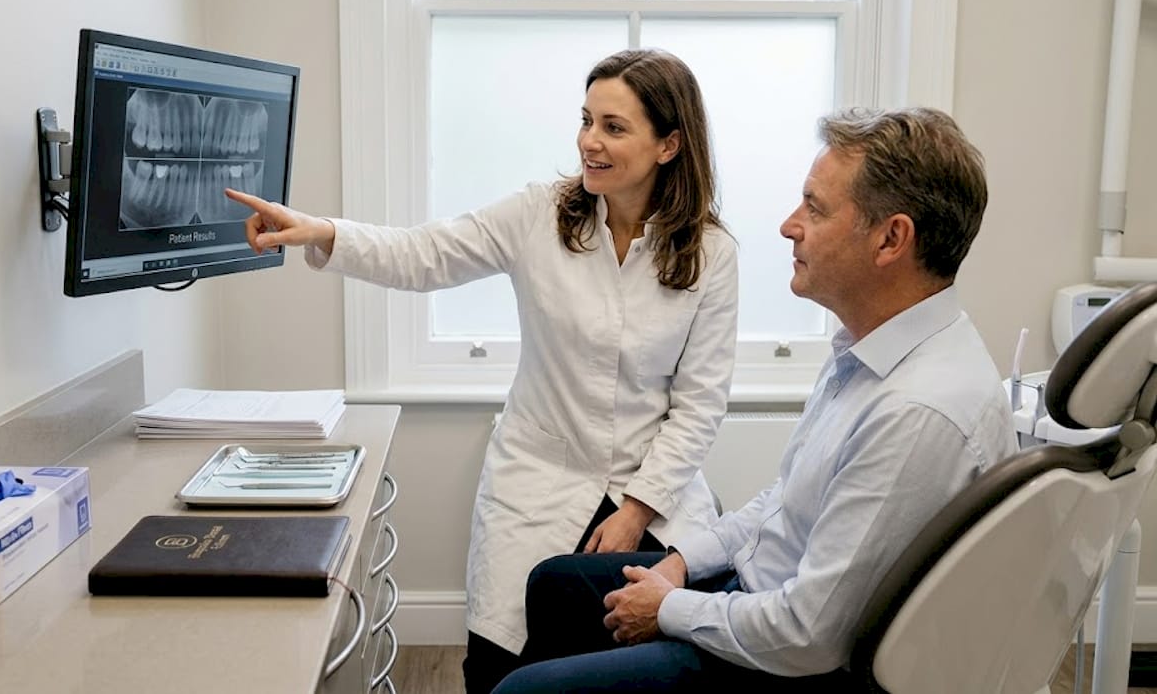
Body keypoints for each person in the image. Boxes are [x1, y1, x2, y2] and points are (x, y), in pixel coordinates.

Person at [224, 48, 738, 694]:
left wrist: (636, 510)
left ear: (669, 144)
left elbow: (700, 403)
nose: (589, 141)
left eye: (613, 127)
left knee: (634, 669)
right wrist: (323, 230)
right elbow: (425, 253)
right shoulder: (540, 213)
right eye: (586, 120)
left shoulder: (711, 254)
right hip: (539, 481)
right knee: (502, 672)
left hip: (654, 494)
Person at [492, 106, 1019, 693]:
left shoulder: (917, 412)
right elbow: (785, 501)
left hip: (792, 663)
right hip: (758, 592)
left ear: (891, 238)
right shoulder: (871, 349)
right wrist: (684, 563)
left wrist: (669, 608)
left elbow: (809, 634)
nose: (789, 225)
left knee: (520, 692)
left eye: (815, 208)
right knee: (556, 585)